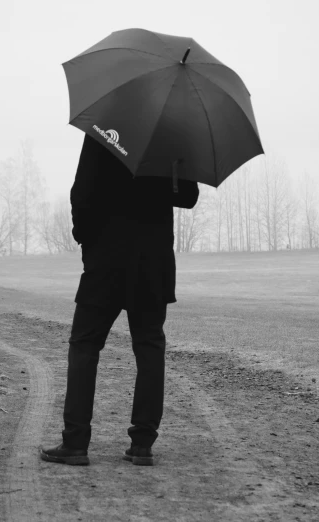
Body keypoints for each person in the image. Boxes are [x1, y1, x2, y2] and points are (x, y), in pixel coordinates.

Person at [40, 134, 199, 466]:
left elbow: (81, 192)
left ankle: (75, 443)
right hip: (152, 261)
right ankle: (142, 444)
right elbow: (188, 195)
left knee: (84, 344)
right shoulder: (173, 134)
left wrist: (87, 242)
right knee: (149, 346)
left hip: (106, 259)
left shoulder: (104, 129)